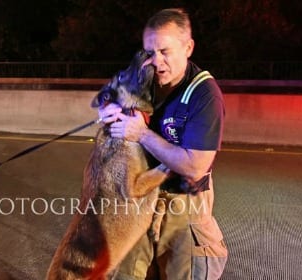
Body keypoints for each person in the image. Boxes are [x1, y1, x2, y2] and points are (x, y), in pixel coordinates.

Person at [98, 8, 228, 280]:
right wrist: (106, 108)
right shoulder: (145, 75)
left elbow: (193, 167)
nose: (156, 62)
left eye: (165, 51)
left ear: (188, 47)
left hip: (184, 207)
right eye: (150, 52)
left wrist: (141, 134)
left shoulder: (204, 94)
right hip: (139, 205)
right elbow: (108, 92)